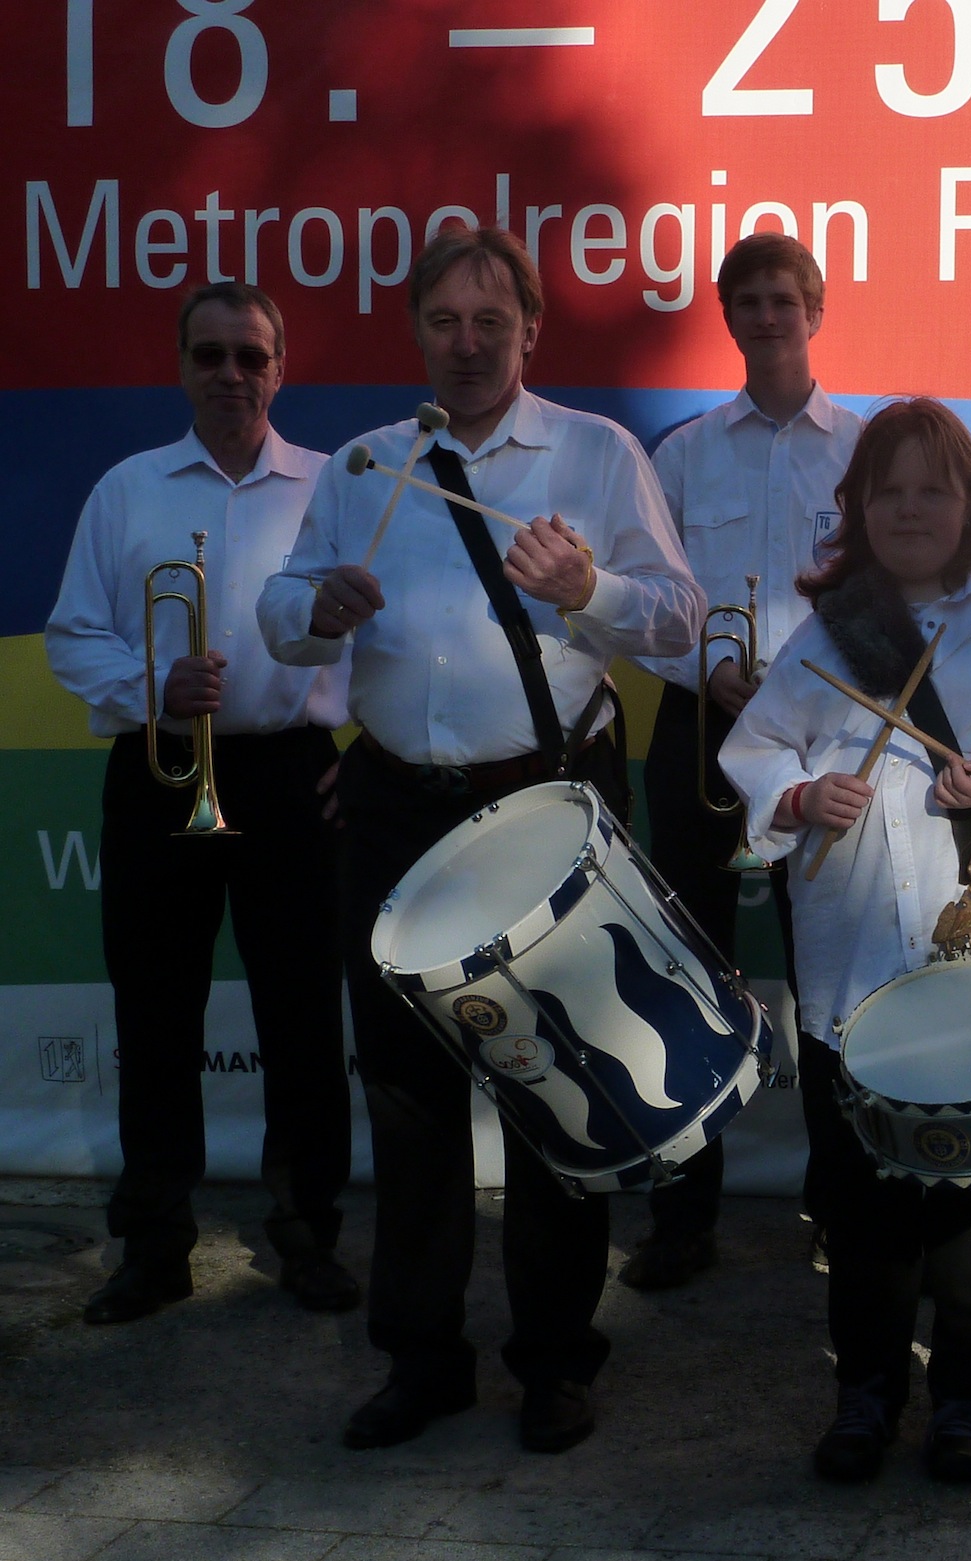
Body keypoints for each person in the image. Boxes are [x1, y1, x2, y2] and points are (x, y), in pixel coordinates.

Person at [258, 228, 703, 1453]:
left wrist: (588, 592)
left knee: (557, 1087)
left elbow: (680, 620)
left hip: (544, 804)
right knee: (406, 1096)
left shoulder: (596, 452)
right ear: (416, 331)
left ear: (530, 333)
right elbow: (284, 613)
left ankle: (554, 1358)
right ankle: (423, 1358)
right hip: (397, 806)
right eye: (444, 321)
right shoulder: (365, 463)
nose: (466, 344)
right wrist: (315, 608)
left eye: (489, 323)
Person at [722, 398, 971, 1484]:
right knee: (860, 1202)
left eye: (931, 491)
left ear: (969, 506)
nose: (908, 510)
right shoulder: (824, 636)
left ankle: (966, 1400)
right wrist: (799, 794)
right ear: (856, 507)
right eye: (886, 492)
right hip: (856, 955)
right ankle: (865, 1394)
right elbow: (755, 746)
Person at [46, 282, 354, 1326]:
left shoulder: (331, 485)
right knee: (156, 1015)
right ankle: (154, 1245)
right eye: (210, 355)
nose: (231, 374)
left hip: (289, 772)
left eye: (250, 355)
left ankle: (309, 1234)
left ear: (281, 367)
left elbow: (383, 633)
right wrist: (152, 688)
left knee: (302, 1015)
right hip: (159, 769)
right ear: (181, 367)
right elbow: (72, 634)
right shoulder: (126, 489)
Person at [631, 233, 866, 1291]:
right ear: (726, 317)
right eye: (749, 302)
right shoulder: (681, 455)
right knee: (689, 974)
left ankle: (843, 1206)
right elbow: (651, 599)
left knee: (832, 978)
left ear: (814, 312)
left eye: (784, 299)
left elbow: (880, 597)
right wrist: (707, 668)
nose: (767, 317)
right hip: (701, 729)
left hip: (823, 736)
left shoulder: (860, 449)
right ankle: (683, 1218)